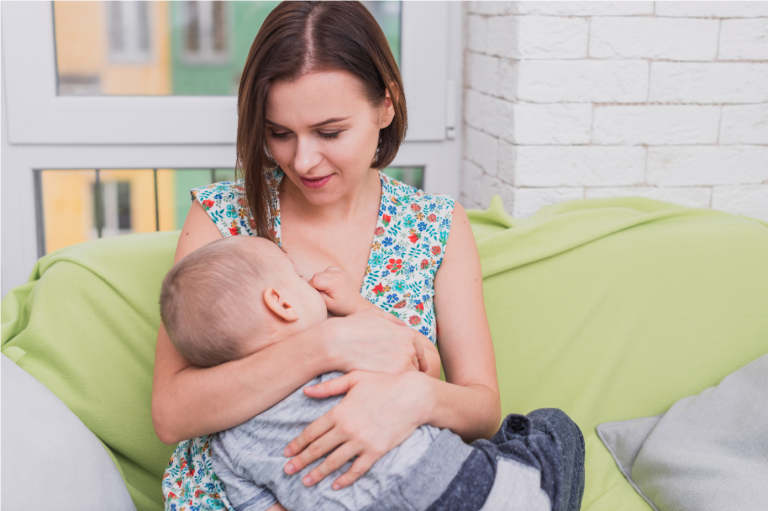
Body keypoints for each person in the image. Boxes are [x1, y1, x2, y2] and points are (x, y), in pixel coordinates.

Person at [152, 2, 583, 510]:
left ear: (386, 105)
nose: (303, 160)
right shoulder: (225, 216)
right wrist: (327, 344)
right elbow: (171, 413)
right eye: (279, 133)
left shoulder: (434, 225)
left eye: (329, 132)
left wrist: (415, 399)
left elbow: (483, 407)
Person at [159, 235, 585, 511]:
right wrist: (354, 306)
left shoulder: (226, 444)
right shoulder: (350, 352)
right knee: (554, 428)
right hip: (471, 490)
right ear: (282, 303)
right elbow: (420, 357)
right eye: (298, 278)